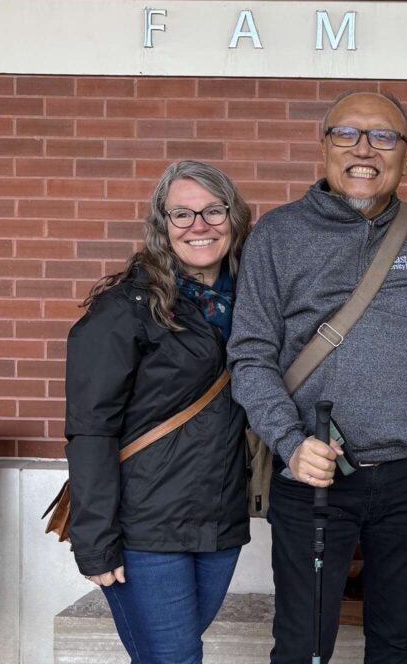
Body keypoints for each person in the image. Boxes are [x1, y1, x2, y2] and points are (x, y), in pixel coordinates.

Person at [228, 91, 407, 664]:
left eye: (383, 136)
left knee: (393, 643)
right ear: (324, 147)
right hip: (313, 475)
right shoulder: (278, 235)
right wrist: (290, 444)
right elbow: (250, 355)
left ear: (406, 156)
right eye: (347, 134)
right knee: (301, 645)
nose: (365, 149)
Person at [64, 160, 252, 663]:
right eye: (182, 214)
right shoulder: (126, 307)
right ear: (162, 224)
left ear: (235, 217)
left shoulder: (255, 302)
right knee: (177, 658)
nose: (199, 226)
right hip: (145, 525)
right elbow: (90, 429)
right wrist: (96, 540)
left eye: (214, 210)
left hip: (220, 520)